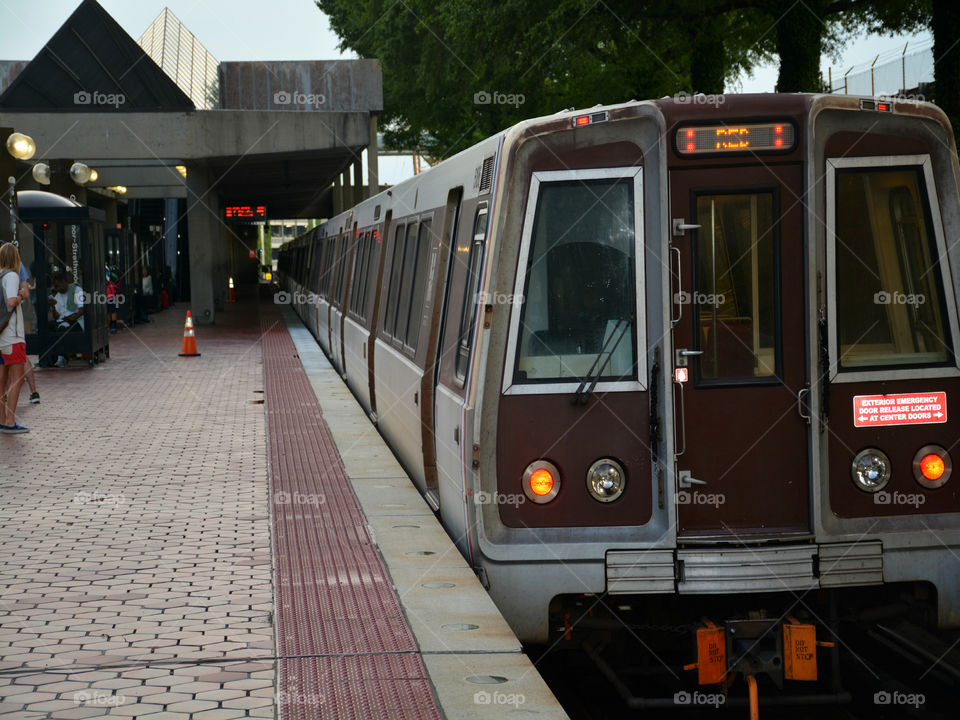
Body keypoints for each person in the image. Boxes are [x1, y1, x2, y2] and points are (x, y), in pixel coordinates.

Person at [0, 242, 30, 433]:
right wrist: (21, 297)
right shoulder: (11, 276)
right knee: (17, 379)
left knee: (1, 381)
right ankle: (10, 421)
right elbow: (11, 302)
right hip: (12, 335)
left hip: (2, 336)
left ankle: (2, 419)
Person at [18, 261, 39, 403]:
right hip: (12, 320)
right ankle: (33, 392)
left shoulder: (15, 264)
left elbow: (25, 292)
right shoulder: (17, 263)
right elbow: (25, 292)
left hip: (9, 320)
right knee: (21, 356)